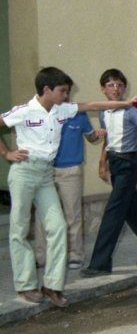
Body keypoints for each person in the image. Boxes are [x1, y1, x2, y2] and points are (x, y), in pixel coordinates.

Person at [0, 67, 135, 306]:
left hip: (45, 174)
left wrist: (126, 104)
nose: (66, 95)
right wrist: (7, 153)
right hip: (24, 172)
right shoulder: (24, 111)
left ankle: (52, 285)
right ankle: (25, 285)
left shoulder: (62, 109)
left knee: (58, 227)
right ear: (46, 89)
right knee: (19, 230)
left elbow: (92, 105)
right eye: (63, 91)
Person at [81, 69, 137, 277]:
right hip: (115, 163)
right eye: (110, 85)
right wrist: (102, 162)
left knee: (114, 210)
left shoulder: (132, 111)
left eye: (119, 85)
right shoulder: (104, 111)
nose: (116, 89)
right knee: (130, 209)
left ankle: (100, 263)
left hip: (129, 164)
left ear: (125, 88)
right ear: (103, 89)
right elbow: (107, 140)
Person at [34, 104, 105, 270]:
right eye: (61, 91)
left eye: (67, 91)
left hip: (71, 170)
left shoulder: (79, 114)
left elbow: (91, 137)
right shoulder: (43, 113)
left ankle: (75, 255)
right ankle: (41, 256)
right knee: (41, 214)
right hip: (46, 169)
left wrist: (98, 135)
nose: (64, 96)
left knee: (72, 213)